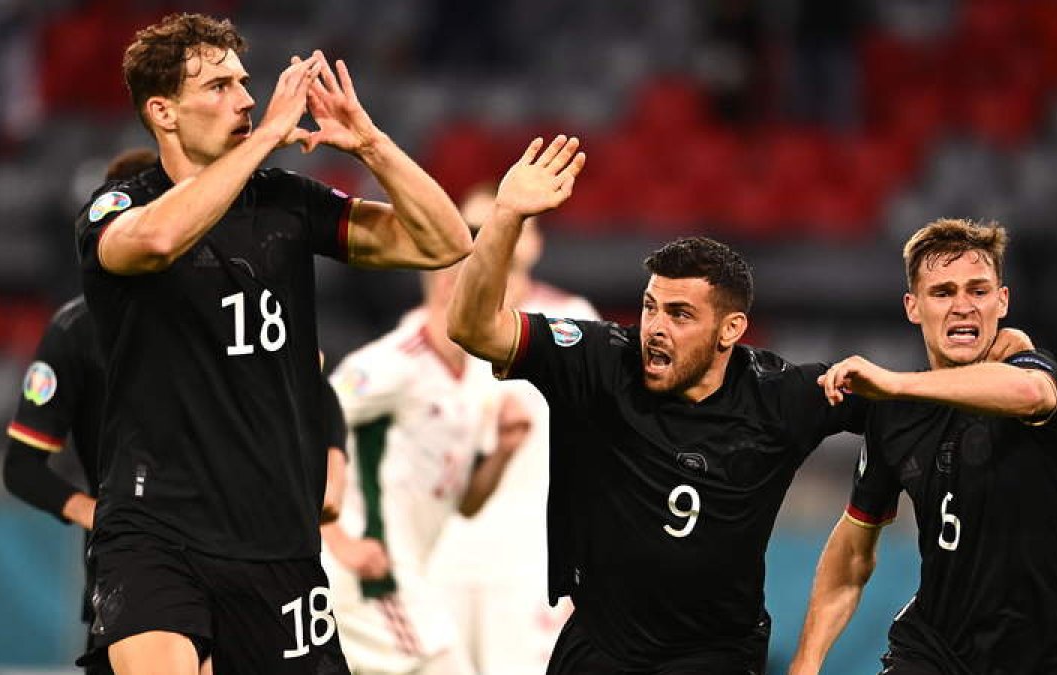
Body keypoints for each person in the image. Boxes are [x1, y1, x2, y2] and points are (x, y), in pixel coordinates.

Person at [74, 13, 471, 675]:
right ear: (163, 112)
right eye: (220, 86)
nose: (248, 98)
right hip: (157, 530)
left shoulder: (289, 205)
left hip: (278, 541)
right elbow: (154, 242)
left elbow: (445, 242)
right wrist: (259, 147)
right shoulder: (118, 205)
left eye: (245, 81)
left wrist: (370, 143)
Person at [446, 135, 875, 674]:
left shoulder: (779, 397)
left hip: (714, 656)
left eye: (680, 314)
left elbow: (903, 408)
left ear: (731, 330)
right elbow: (471, 327)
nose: (655, 329)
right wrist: (506, 215)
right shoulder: (600, 362)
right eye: (651, 307)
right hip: (601, 643)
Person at [788, 219, 1057, 674]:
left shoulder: (1033, 370)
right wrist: (805, 664)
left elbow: (1032, 393)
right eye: (943, 292)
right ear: (913, 307)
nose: (963, 306)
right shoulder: (894, 416)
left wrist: (893, 382)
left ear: (1002, 301)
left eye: (979, 290)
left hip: (1043, 659)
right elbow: (852, 551)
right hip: (932, 652)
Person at [426, 183, 600, 675]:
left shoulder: (571, 321)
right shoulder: (433, 332)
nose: (490, 237)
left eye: (508, 224)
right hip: (443, 555)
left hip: (528, 559)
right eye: (475, 229)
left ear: (535, 241)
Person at [322, 261, 528, 675]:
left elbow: (466, 504)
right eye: (502, 284)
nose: (516, 298)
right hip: (371, 578)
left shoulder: (477, 377)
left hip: (410, 572)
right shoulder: (391, 363)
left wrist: (504, 450)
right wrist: (336, 538)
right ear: (453, 285)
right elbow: (305, 424)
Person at [3, 147, 158, 675]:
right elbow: (21, 468)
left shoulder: (229, 316)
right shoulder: (77, 330)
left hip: (233, 556)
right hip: (130, 572)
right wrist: (101, 514)